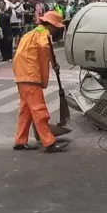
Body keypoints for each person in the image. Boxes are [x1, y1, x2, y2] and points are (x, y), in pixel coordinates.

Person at [12, 10, 68, 153]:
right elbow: (44, 47)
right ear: (51, 25)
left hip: (22, 76)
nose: (56, 30)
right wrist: (52, 63)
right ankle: (49, 142)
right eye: (56, 27)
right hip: (31, 76)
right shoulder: (44, 34)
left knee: (26, 111)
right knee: (39, 110)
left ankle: (20, 140)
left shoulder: (29, 34)